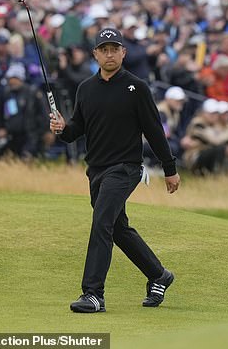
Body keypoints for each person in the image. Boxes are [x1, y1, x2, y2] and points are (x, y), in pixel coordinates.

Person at [49, 28, 181, 313]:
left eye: (114, 49)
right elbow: (76, 130)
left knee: (101, 223)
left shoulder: (136, 87)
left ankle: (93, 294)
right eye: (103, 49)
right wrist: (63, 129)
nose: (109, 54)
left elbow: (154, 131)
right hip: (95, 170)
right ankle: (159, 275)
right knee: (118, 229)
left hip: (125, 169)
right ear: (95, 54)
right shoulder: (86, 88)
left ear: (123, 52)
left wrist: (169, 168)